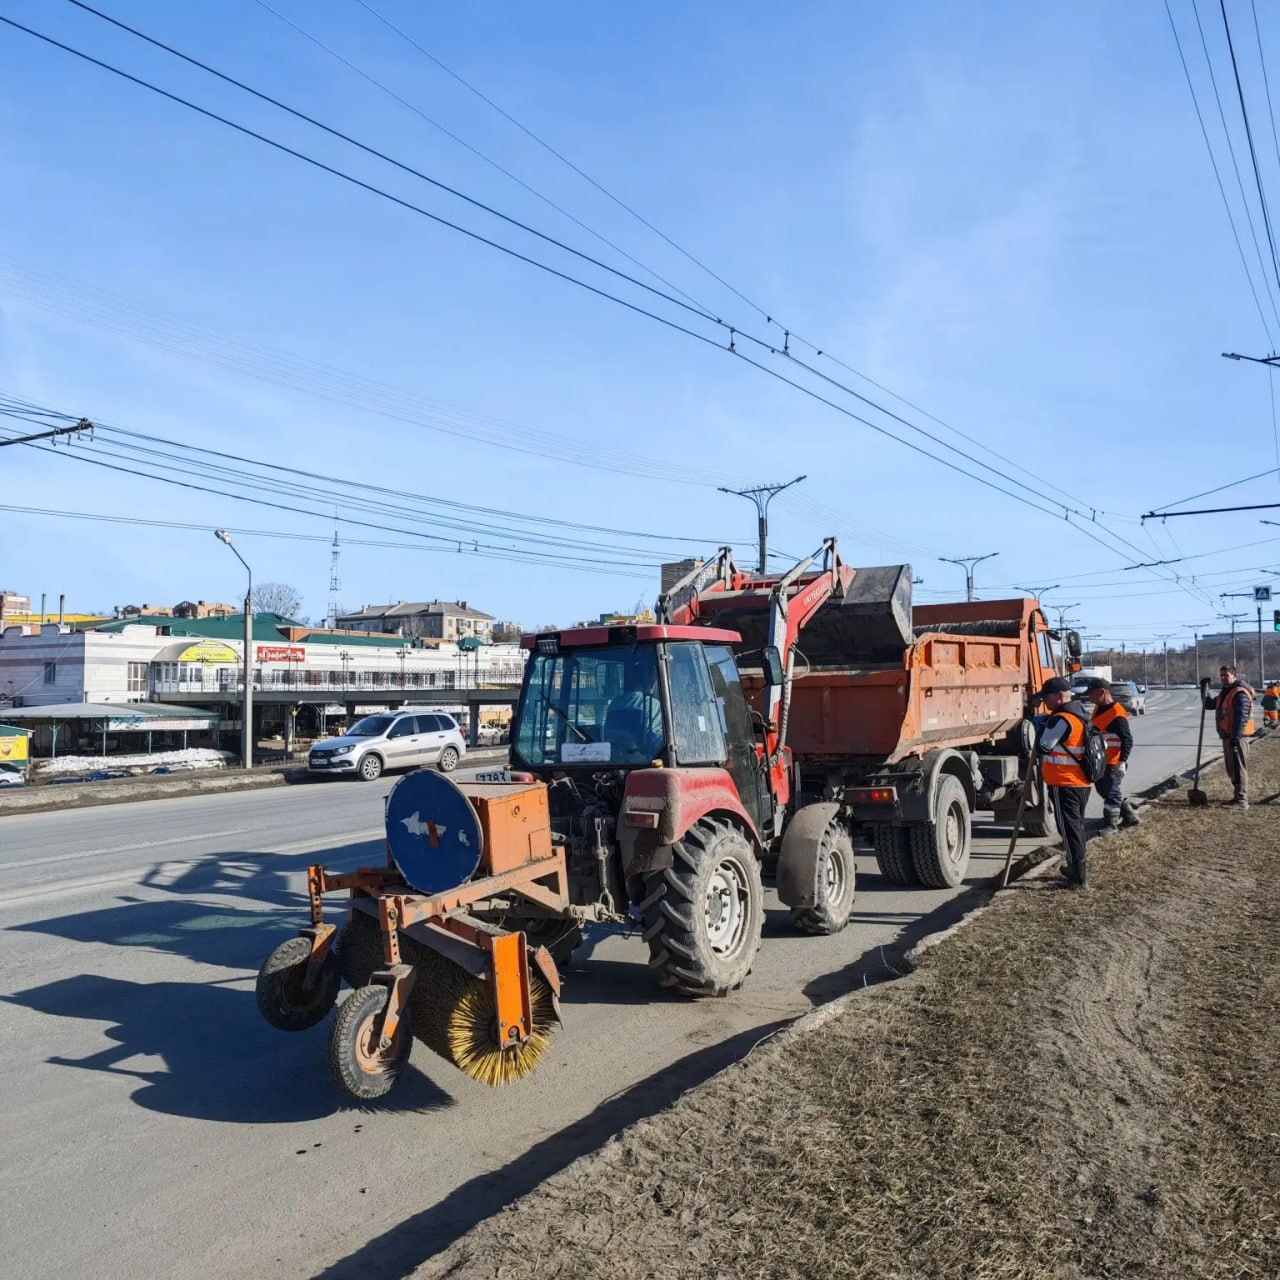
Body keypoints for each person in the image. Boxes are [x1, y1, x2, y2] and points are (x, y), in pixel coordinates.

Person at [1035, 675, 1093, 889]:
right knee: (1076, 827)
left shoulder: (1062, 718)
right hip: (1081, 782)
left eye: (1047, 698)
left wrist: (1041, 727)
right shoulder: (1080, 714)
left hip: (1064, 782)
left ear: (1059, 696)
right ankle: (1076, 868)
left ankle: (1078, 876)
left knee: (1068, 830)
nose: (1044, 702)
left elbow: (1044, 746)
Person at [1085, 677, 1140, 831]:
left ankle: (1111, 825)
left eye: (1092, 694)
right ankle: (1129, 816)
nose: (1090, 697)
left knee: (1111, 792)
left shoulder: (1117, 714)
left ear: (1102, 692)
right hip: (1101, 760)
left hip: (1113, 761)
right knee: (1105, 790)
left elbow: (1127, 739)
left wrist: (1122, 761)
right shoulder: (1098, 709)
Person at [1200, 665, 1254, 809]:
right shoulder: (1226, 692)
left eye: (1226, 675)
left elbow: (1241, 716)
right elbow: (1209, 705)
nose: (1223, 678)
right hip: (1228, 736)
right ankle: (1237, 797)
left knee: (1238, 768)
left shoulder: (1239, 693)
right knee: (1232, 769)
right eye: (1221, 675)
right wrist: (1204, 689)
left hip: (1237, 736)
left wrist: (1236, 737)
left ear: (1234, 676)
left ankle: (1242, 801)